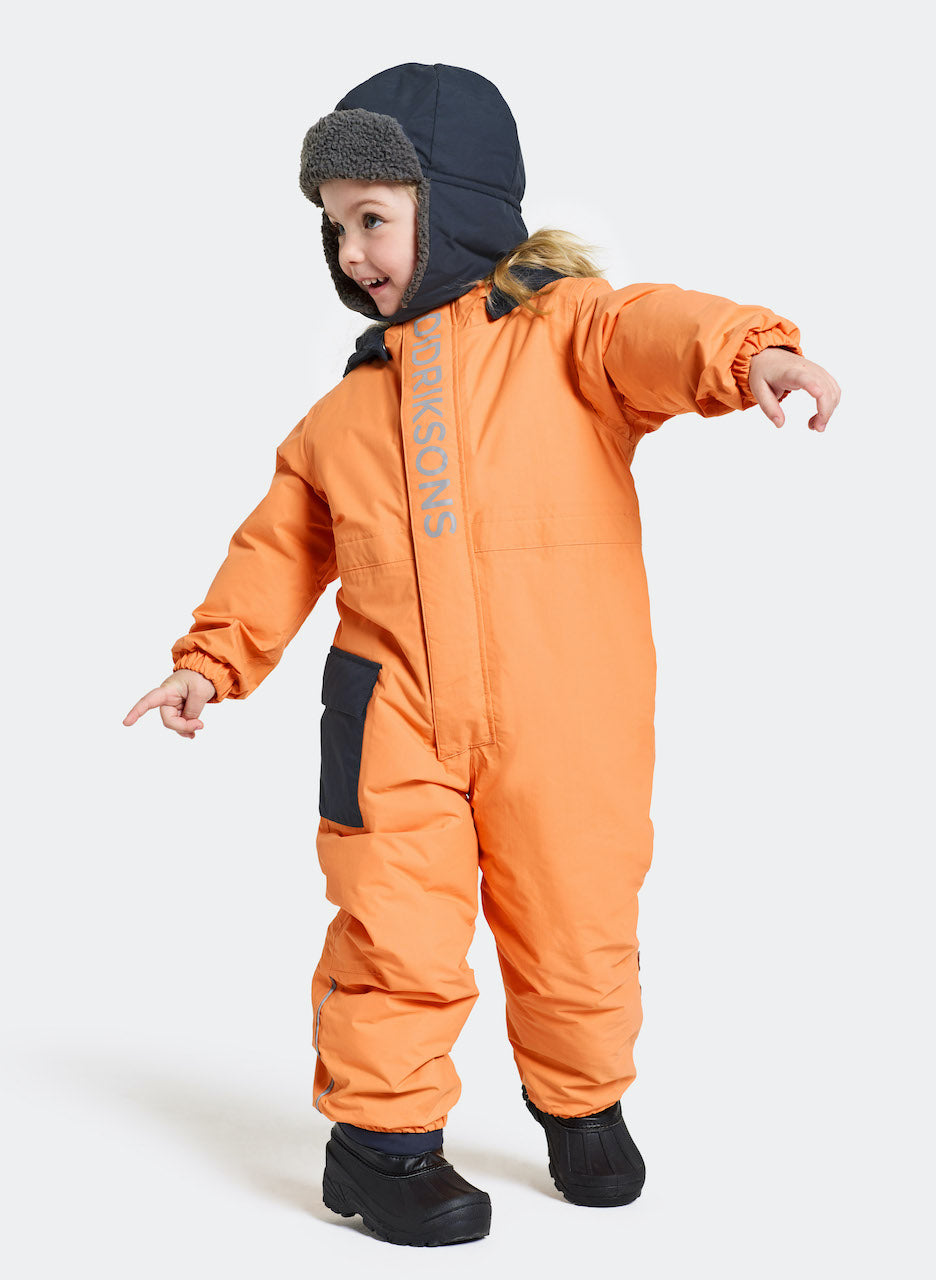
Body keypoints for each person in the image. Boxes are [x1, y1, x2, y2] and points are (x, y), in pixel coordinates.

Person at [122, 62, 840, 1247]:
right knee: (392, 928)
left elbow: (655, 325)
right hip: (392, 714)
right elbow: (279, 546)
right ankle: (381, 1145)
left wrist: (748, 354)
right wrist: (211, 658)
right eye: (334, 226)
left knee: (577, 917)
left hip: (567, 706)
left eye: (371, 217)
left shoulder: (568, 336)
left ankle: (582, 1101)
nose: (351, 251)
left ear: (452, 203)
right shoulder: (346, 411)